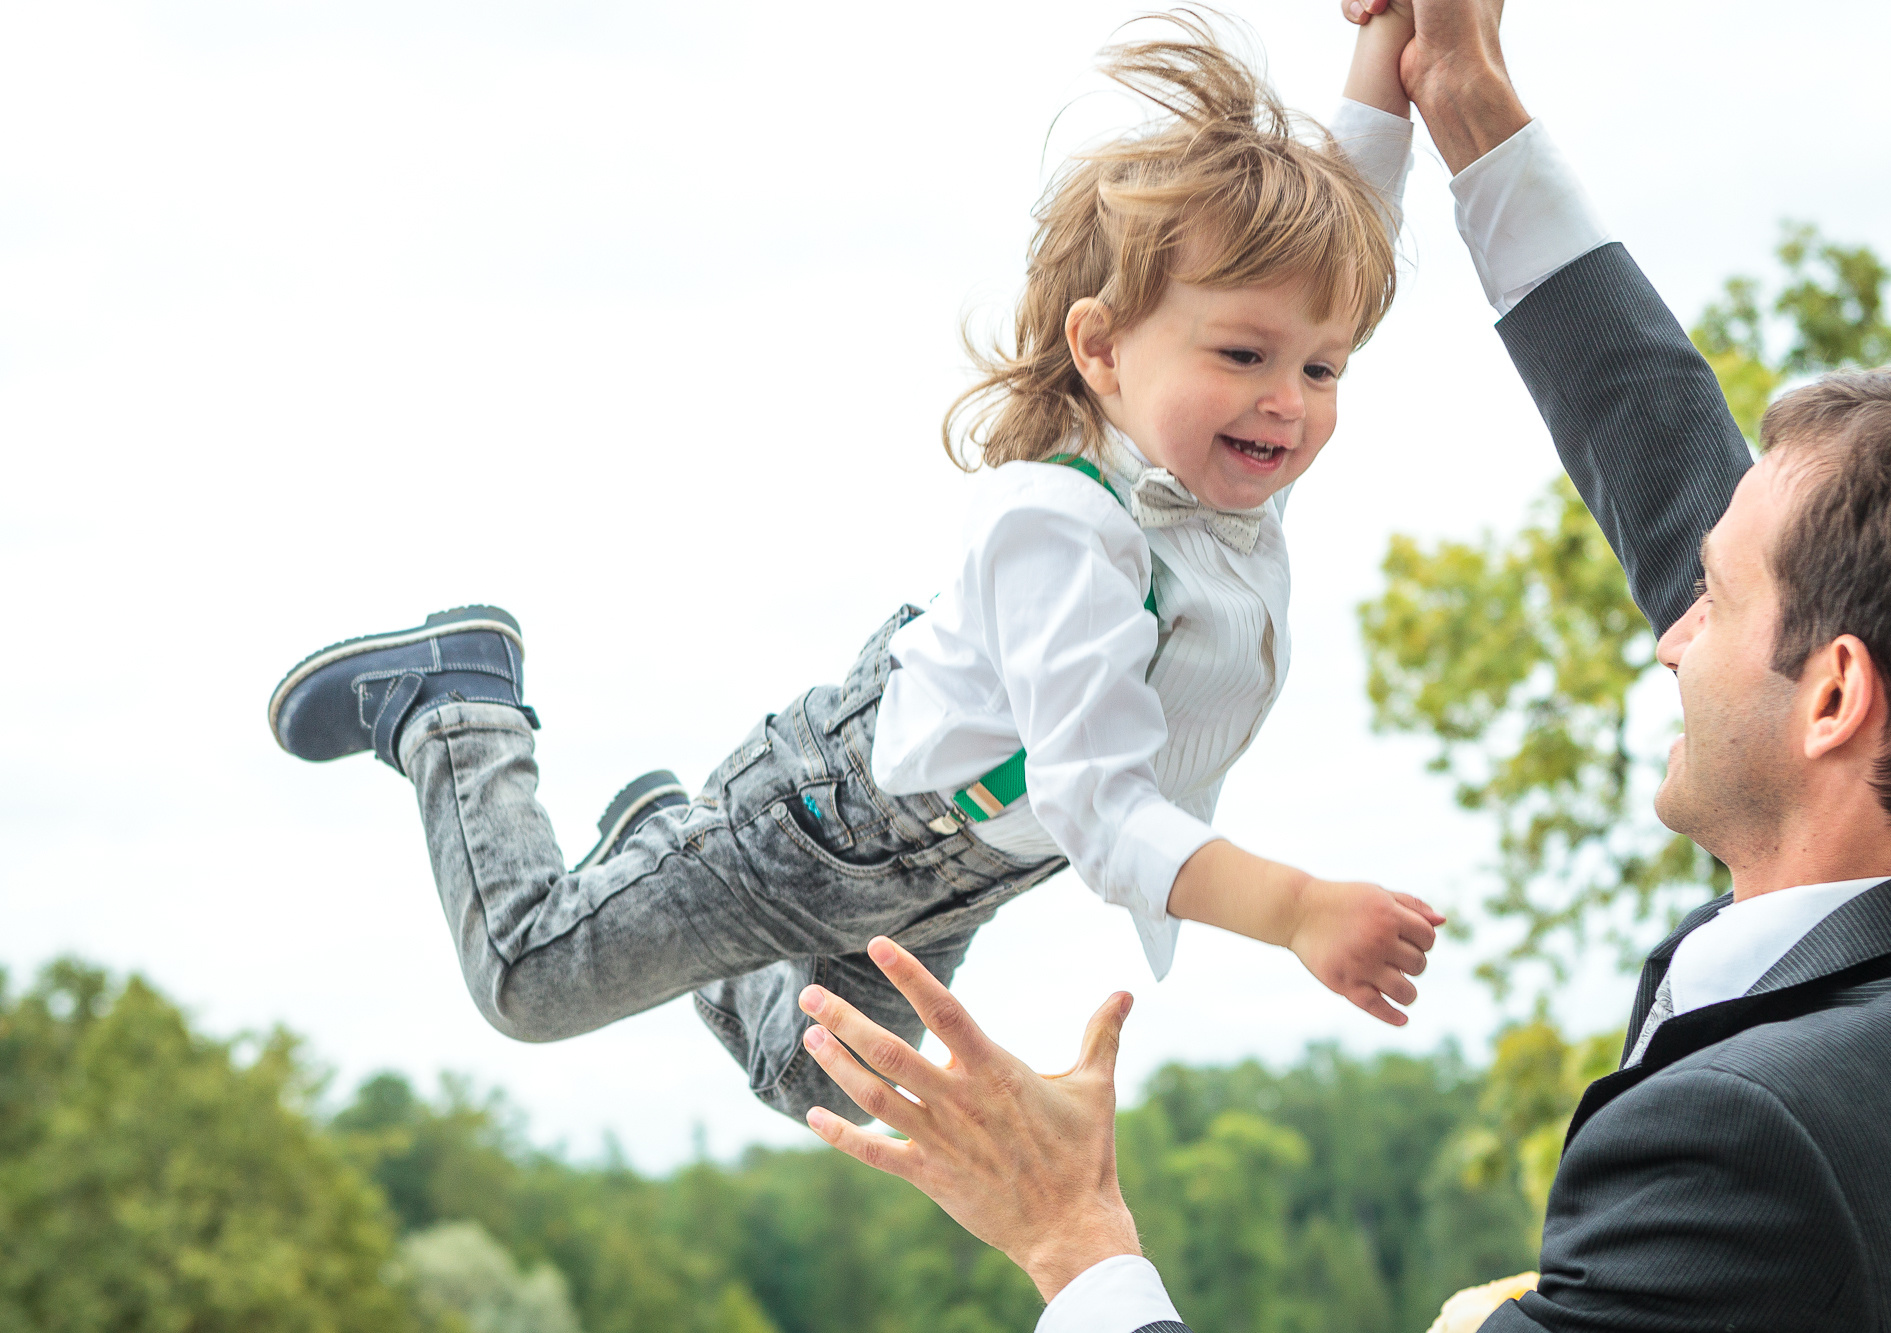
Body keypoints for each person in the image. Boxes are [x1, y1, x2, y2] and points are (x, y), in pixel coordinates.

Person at [787, 2, 1891, 1329]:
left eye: (1710, 599)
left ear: (1832, 699)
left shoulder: (1756, 1146)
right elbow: (1669, 462)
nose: (1669, 628)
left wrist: (1074, 1240)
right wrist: (1468, 105)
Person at [264, 12, 1444, 1126]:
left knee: (822, 1091)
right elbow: (1098, 803)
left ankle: (658, 832)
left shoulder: (1227, 474)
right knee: (526, 976)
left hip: (962, 868)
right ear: (1100, 347)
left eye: (1323, 369)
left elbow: (1353, 217)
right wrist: (1293, 909)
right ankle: (455, 706)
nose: (1286, 401)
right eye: (1244, 354)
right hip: (832, 822)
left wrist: (1392, 37)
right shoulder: (1061, 531)